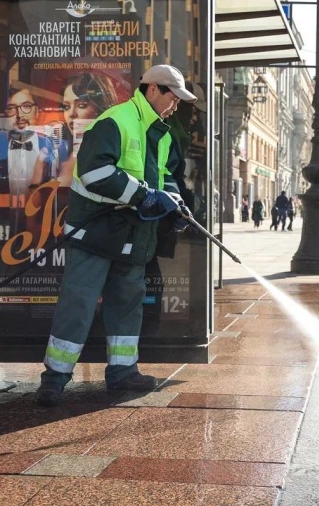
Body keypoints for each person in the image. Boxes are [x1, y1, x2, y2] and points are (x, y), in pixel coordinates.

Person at [36, 64, 196, 407]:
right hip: (94, 233)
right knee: (77, 306)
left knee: (127, 307)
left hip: (132, 236)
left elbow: (163, 175)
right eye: (172, 96)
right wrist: (146, 197)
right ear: (153, 89)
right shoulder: (115, 120)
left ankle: (123, 373)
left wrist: (174, 203)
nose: (175, 105)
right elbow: (95, 172)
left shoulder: (162, 132)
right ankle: (54, 380)